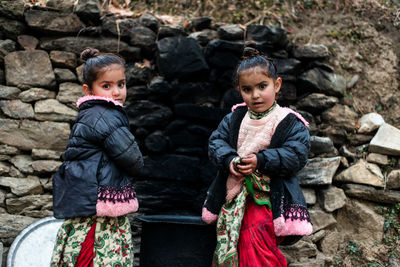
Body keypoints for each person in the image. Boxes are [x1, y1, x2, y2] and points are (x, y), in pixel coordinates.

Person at [202, 42, 313, 267]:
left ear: (277, 84)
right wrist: (230, 160)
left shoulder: (288, 121)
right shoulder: (235, 118)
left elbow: (296, 154)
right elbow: (216, 142)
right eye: (247, 89)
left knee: (255, 240)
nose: (255, 95)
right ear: (240, 90)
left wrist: (261, 160)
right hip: (235, 197)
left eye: (262, 86)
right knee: (236, 244)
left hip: (269, 199)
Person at [51, 48, 143, 266]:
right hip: (97, 201)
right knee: (97, 254)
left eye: (121, 84)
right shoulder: (104, 113)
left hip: (86, 197)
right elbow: (133, 159)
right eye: (106, 86)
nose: (117, 92)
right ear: (87, 89)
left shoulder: (92, 113)